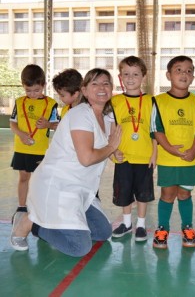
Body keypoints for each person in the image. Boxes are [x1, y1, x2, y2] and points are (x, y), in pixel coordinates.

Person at [10, 68, 122, 257]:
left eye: (106, 83)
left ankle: (49, 219)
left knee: (103, 233)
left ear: (111, 88)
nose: (101, 87)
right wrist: (111, 147)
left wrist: (114, 151)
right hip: (58, 187)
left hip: (80, 188)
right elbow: (86, 159)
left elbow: (102, 147)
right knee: (79, 248)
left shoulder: (105, 116)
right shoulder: (80, 115)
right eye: (94, 84)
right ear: (84, 91)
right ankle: (34, 223)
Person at [151, 55, 195, 249]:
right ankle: (162, 228)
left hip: (189, 160)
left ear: (193, 77)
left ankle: (187, 227)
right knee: (167, 194)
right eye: (179, 70)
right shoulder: (158, 101)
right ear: (168, 75)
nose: (184, 74)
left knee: (184, 194)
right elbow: (156, 129)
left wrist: (193, 150)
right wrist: (170, 149)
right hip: (168, 160)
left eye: (189, 71)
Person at [110, 56, 156, 242]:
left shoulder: (152, 101)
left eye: (135, 74)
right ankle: (127, 223)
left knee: (143, 194)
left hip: (144, 157)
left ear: (143, 77)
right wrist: (114, 150)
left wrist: (154, 154)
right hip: (124, 157)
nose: (131, 78)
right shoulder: (115, 101)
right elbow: (112, 129)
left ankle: (141, 225)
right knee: (125, 192)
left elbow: (154, 131)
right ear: (120, 77)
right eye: (126, 74)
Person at [10, 64, 59, 217]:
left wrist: (48, 124)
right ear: (23, 86)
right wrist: (21, 134)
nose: (32, 94)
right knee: (23, 177)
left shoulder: (50, 104)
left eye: (36, 90)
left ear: (43, 85)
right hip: (22, 148)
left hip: (40, 150)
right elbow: (13, 122)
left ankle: (40, 206)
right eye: (28, 90)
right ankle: (22, 206)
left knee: (40, 180)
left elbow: (57, 125)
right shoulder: (19, 102)